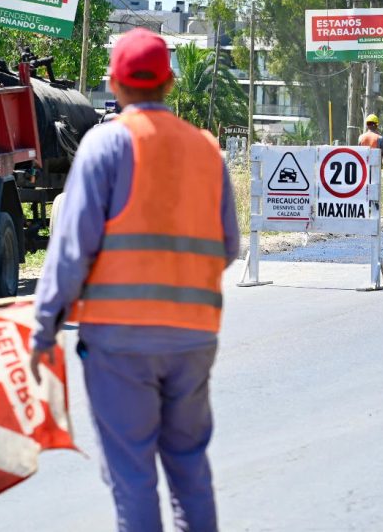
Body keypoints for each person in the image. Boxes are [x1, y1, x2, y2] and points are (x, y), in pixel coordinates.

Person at [30, 28, 238, 532]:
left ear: (114, 84)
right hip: (193, 339)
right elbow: (229, 247)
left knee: (133, 476)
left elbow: (72, 250)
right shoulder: (206, 150)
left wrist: (43, 328)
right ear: (168, 84)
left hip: (120, 343)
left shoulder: (104, 146)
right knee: (189, 467)